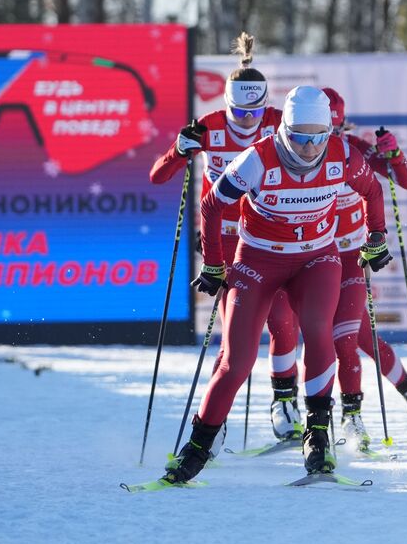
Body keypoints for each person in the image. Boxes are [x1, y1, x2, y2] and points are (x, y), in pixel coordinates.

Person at [163, 87, 391, 484]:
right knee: (238, 361)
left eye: (318, 136)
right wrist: (215, 264)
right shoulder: (258, 159)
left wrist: (376, 239)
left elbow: (373, 191)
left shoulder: (341, 155)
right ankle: (197, 448)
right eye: (300, 137)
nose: (309, 147)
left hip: (316, 258)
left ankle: (318, 437)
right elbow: (213, 206)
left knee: (319, 332)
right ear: (285, 129)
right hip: (258, 261)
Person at [264, 88, 407, 450]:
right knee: (330, 333)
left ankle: (353, 420)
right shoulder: (290, 153)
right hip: (311, 258)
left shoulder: (353, 150)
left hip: (349, 256)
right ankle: (290, 407)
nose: (317, 146)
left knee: (346, 339)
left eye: (331, 133)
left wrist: (393, 154)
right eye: (316, 134)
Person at [148, 33, 280, 459]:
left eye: (255, 112)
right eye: (239, 112)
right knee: (232, 340)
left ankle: (287, 407)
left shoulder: (280, 121)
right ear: (226, 105)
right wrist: (178, 150)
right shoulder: (208, 125)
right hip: (223, 242)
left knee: (283, 324)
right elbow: (157, 177)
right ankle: (210, 423)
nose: (247, 121)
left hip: (268, 238)